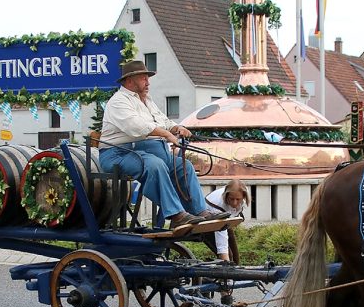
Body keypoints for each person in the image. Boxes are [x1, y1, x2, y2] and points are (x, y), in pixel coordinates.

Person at [97, 60, 229, 229]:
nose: (148, 82)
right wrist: (166, 134)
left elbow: (163, 120)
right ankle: (176, 215)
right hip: (117, 153)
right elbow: (135, 126)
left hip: (144, 152)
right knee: (155, 165)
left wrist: (176, 127)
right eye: (144, 78)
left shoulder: (146, 100)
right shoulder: (118, 101)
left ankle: (200, 211)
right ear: (129, 80)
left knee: (185, 167)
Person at [204, 180, 250, 264]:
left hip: (225, 220)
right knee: (228, 255)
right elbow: (221, 239)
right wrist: (225, 259)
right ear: (226, 196)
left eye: (238, 199)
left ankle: (236, 272)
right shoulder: (218, 205)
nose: (235, 203)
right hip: (207, 223)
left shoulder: (244, 192)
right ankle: (225, 274)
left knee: (235, 256)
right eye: (231, 199)